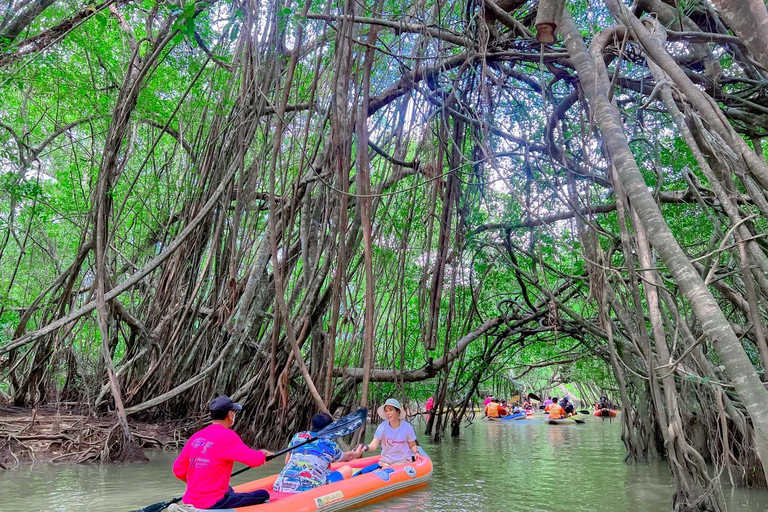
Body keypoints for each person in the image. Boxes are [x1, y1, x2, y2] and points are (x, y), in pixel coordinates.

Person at [173, 396, 274, 509]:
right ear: (230, 414)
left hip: (190, 499)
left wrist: (199, 487)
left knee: (229, 489)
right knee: (263, 495)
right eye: (234, 412)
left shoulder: (197, 436)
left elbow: (178, 469)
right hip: (214, 502)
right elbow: (253, 460)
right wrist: (263, 454)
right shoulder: (227, 436)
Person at [273, 413, 365, 493]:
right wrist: (357, 453)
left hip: (280, 486)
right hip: (309, 490)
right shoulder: (330, 445)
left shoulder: (298, 436)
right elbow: (348, 457)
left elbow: (287, 461)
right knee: (347, 469)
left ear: (312, 424)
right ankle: (327, 485)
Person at [359, 398, 422, 470]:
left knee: (388, 469)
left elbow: (412, 445)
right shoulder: (382, 427)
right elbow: (373, 445)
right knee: (374, 471)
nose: (388, 413)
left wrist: (416, 452)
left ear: (398, 411)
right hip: (386, 461)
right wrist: (365, 447)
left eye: (390, 410)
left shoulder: (407, 427)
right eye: (386, 411)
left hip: (402, 460)